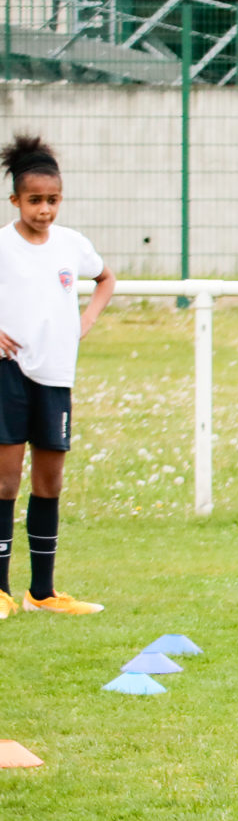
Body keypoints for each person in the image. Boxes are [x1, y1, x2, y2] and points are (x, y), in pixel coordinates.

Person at [0, 133, 115, 617]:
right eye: (34, 201)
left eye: (52, 200)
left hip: (55, 377)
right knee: (6, 482)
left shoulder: (73, 245)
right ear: (15, 201)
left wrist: (86, 320)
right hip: (8, 375)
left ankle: (41, 594)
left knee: (50, 483)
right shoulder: (3, 245)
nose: (44, 210)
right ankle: (0, 592)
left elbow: (106, 279)